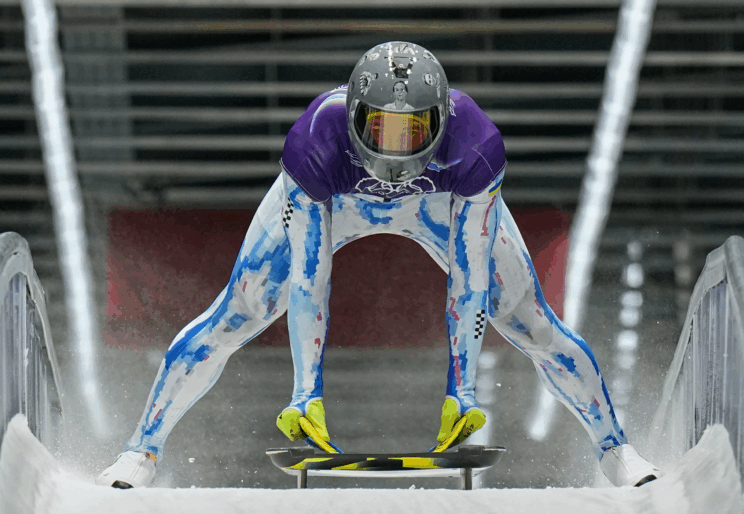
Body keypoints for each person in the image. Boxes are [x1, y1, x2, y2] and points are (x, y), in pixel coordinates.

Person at [96, 41, 661, 489]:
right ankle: (140, 449)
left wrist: (461, 392)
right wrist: (304, 393)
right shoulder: (316, 139)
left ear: (442, 119)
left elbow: (468, 281)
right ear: (354, 116)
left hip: (438, 201)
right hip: (335, 199)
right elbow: (309, 280)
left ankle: (616, 450)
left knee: (525, 315)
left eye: (413, 131)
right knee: (243, 308)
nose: (395, 148)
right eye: (382, 129)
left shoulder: (476, 147)